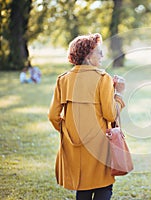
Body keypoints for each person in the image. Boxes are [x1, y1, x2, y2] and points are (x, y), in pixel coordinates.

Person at [48, 33, 125, 200]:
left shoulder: (63, 80)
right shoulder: (103, 78)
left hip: (74, 145)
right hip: (99, 145)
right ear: (88, 56)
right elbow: (110, 114)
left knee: (82, 188)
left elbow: (53, 115)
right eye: (99, 52)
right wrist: (118, 94)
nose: (102, 55)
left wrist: (66, 130)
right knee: (103, 187)